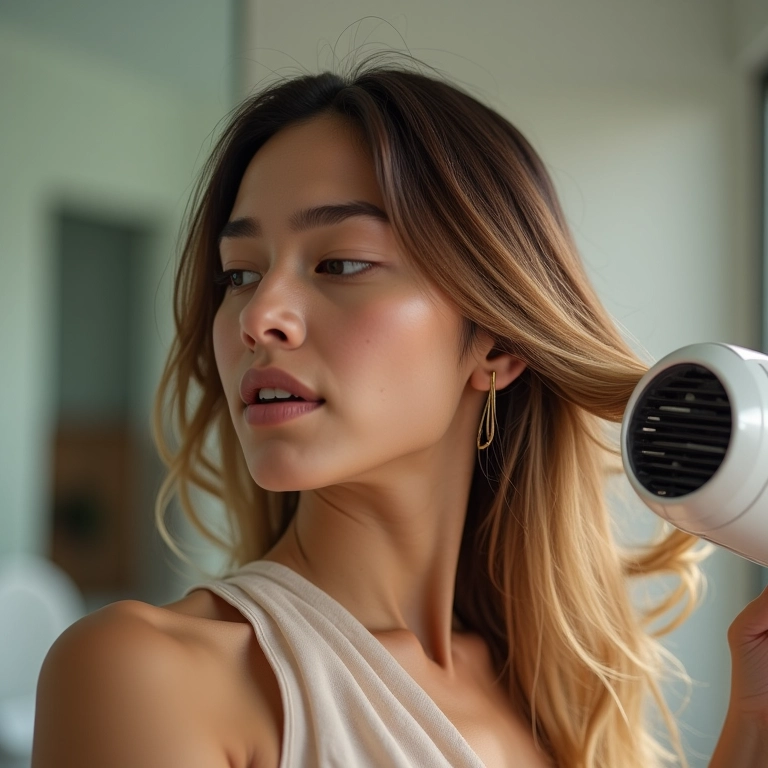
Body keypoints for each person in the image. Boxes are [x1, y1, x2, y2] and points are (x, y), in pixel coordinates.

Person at [31, 51, 768, 768]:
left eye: (341, 263)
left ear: (496, 346)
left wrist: (753, 729)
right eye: (240, 274)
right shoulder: (149, 677)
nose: (258, 317)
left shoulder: (546, 698)